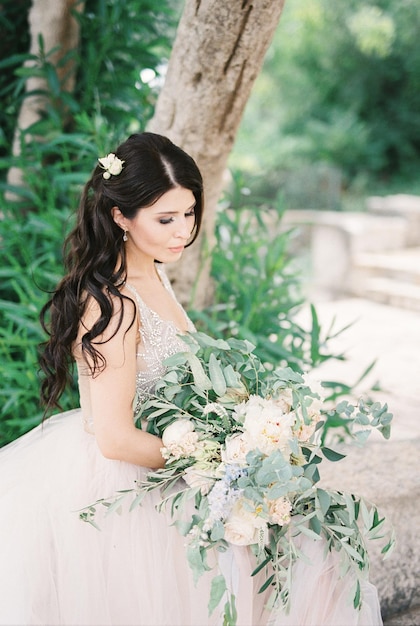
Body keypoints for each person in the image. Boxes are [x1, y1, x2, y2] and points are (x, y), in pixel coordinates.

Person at [0, 132, 383, 626]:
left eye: (189, 213)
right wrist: (222, 462)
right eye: (165, 219)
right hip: (135, 481)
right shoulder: (112, 303)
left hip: (180, 464)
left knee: (315, 565)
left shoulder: (155, 274)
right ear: (120, 216)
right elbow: (114, 437)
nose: (183, 231)